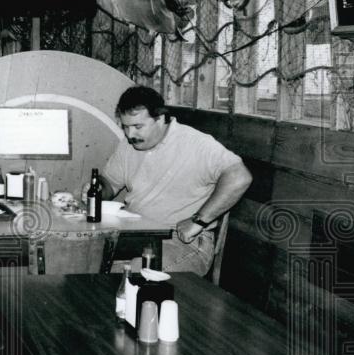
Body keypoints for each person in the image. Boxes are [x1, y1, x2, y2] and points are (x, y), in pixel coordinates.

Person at [87, 86, 252, 274]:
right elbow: (110, 183)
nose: (130, 134)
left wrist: (198, 221)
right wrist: (98, 188)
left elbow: (240, 177)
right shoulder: (129, 145)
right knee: (83, 262)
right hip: (136, 236)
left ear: (161, 119)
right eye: (125, 127)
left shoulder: (195, 143)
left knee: (125, 275)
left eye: (138, 127)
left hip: (183, 242)